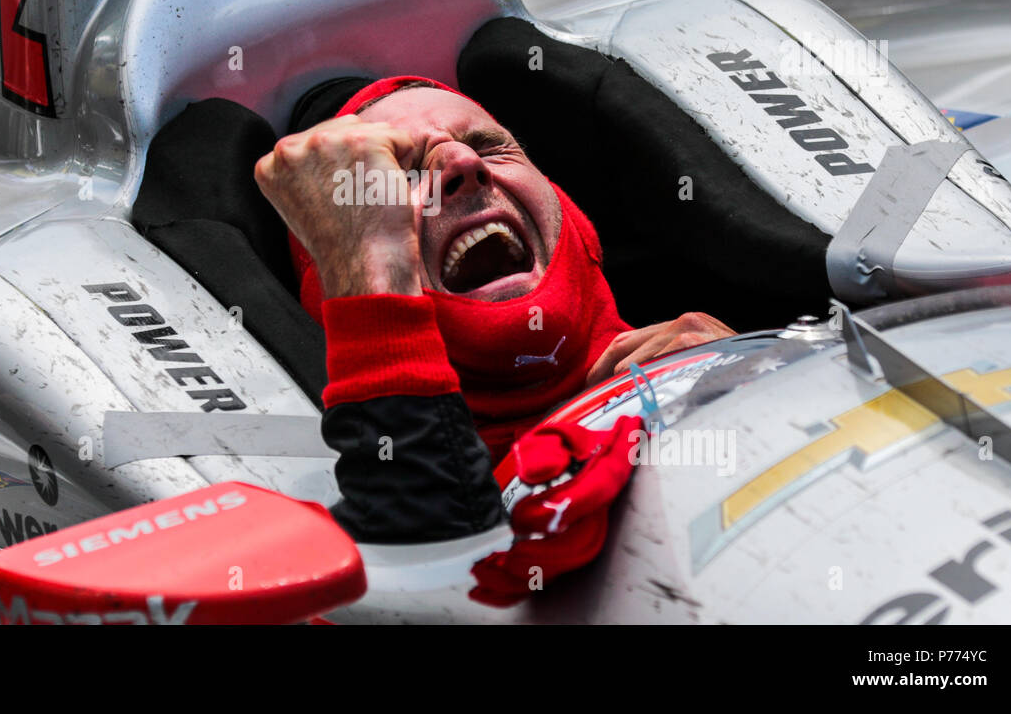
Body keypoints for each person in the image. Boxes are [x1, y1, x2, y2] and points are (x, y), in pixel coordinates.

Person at [255, 76, 733, 605]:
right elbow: (435, 596)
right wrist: (374, 274)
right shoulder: (322, 549)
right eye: (403, 178)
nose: (463, 165)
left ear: (571, 217)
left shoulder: (733, 360)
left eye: (489, 146)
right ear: (340, 285)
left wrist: (767, 371)